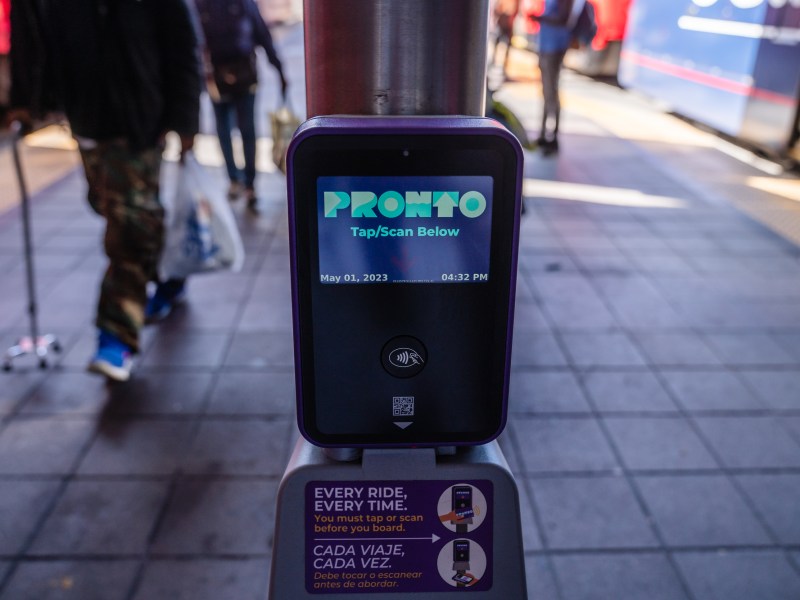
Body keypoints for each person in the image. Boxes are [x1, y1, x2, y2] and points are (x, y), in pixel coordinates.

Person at [9, 0, 202, 382]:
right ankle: (169, 272)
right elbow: (32, 31)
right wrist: (25, 97)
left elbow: (182, 45)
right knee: (116, 209)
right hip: (86, 121)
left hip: (141, 123)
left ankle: (115, 336)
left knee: (129, 226)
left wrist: (185, 120)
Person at [193, 0, 287, 212]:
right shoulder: (201, 5)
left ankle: (249, 184)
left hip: (245, 75)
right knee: (224, 130)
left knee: (247, 130)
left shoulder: (244, 3)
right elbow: (194, 42)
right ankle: (234, 179)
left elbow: (262, 34)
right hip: (216, 78)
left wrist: (279, 68)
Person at [529, 0, 575, 155]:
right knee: (546, 91)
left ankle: (553, 136)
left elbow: (564, 18)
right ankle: (543, 134)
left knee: (551, 91)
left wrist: (540, 18)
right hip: (546, 44)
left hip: (554, 45)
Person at [491, 0, 519, 80]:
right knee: (496, 44)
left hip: (508, 25)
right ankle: (493, 64)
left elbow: (515, 11)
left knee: (506, 47)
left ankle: (503, 67)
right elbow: (497, 9)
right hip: (502, 24)